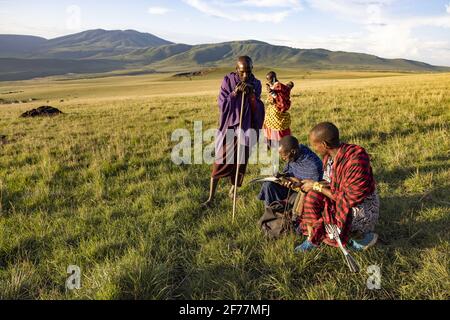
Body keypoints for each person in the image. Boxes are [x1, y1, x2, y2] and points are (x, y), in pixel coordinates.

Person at [288, 122, 380, 252]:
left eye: (315, 145)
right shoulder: (329, 157)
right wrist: (308, 183)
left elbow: (349, 199)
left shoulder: (356, 160)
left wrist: (316, 186)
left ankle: (358, 237)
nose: (314, 149)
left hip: (360, 207)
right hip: (339, 198)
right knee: (311, 197)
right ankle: (312, 239)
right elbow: (330, 184)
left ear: (324, 145)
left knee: (329, 219)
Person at [202, 56, 265, 208]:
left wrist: (251, 97)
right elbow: (222, 104)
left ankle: (232, 191)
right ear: (236, 69)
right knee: (220, 161)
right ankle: (211, 198)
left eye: (248, 71)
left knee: (240, 163)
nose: (245, 75)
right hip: (230, 128)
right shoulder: (228, 81)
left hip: (247, 128)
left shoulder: (256, 83)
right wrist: (235, 93)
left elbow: (258, 108)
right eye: (242, 72)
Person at [258, 136, 323, 208]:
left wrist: (296, 183)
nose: (283, 158)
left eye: (284, 156)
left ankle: (281, 210)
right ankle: (270, 211)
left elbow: (312, 187)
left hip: (304, 194)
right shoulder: (296, 153)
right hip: (292, 186)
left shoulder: (312, 165)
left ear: (293, 152)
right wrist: (282, 176)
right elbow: (290, 172)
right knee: (269, 185)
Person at [263, 71, 294, 149]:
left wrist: (272, 93)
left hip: (277, 112)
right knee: (269, 127)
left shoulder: (279, 87)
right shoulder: (275, 86)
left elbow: (281, 101)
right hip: (272, 112)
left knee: (278, 129)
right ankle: (269, 144)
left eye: (269, 80)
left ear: (273, 78)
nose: (268, 82)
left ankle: (280, 146)